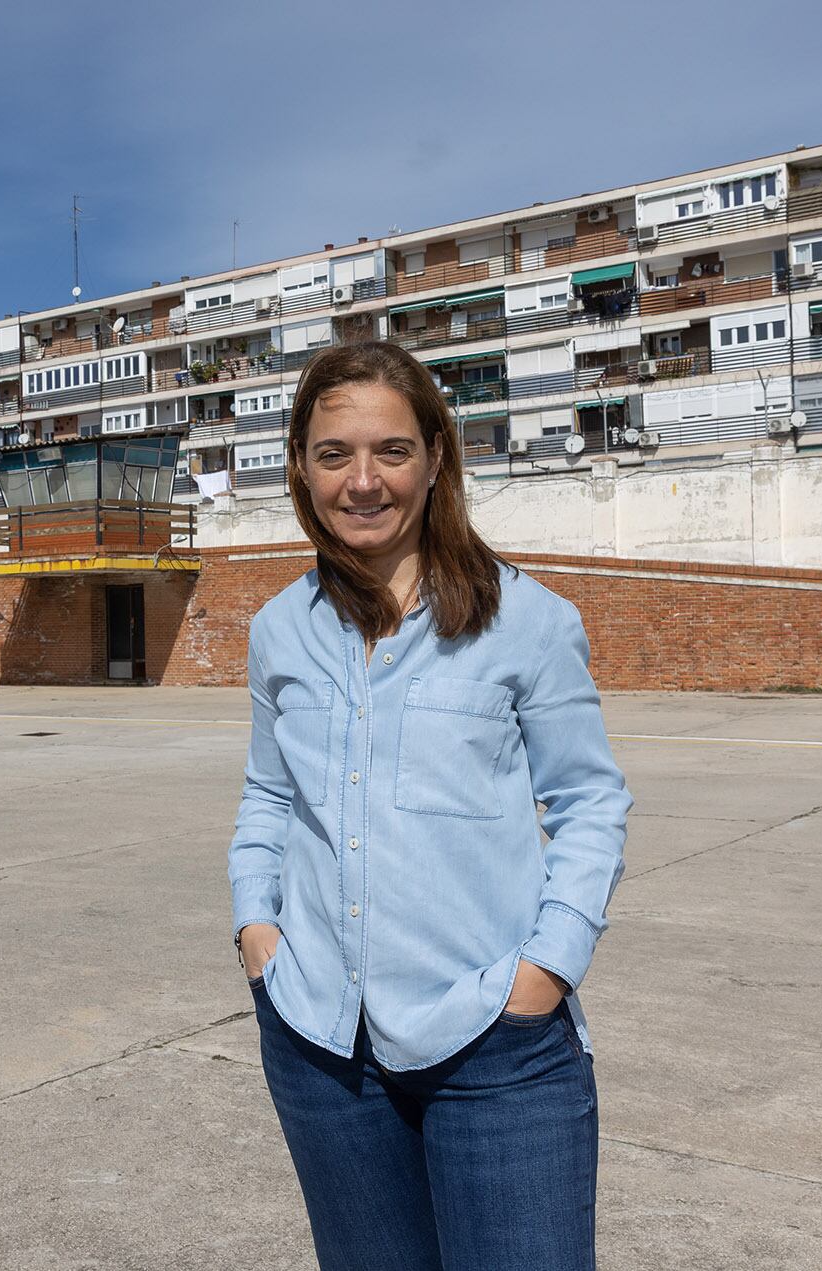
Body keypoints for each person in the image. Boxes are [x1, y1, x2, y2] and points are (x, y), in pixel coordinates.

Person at [228, 340, 632, 1271]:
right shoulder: (279, 629)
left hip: (496, 1044)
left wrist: (547, 971)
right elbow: (266, 793)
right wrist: (257, 927)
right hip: (322, 1043)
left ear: (437, 457)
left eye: (391, 451)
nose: (363, 481)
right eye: (335, 454)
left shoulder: (527, 620)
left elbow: (589, 801)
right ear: (300, 465)